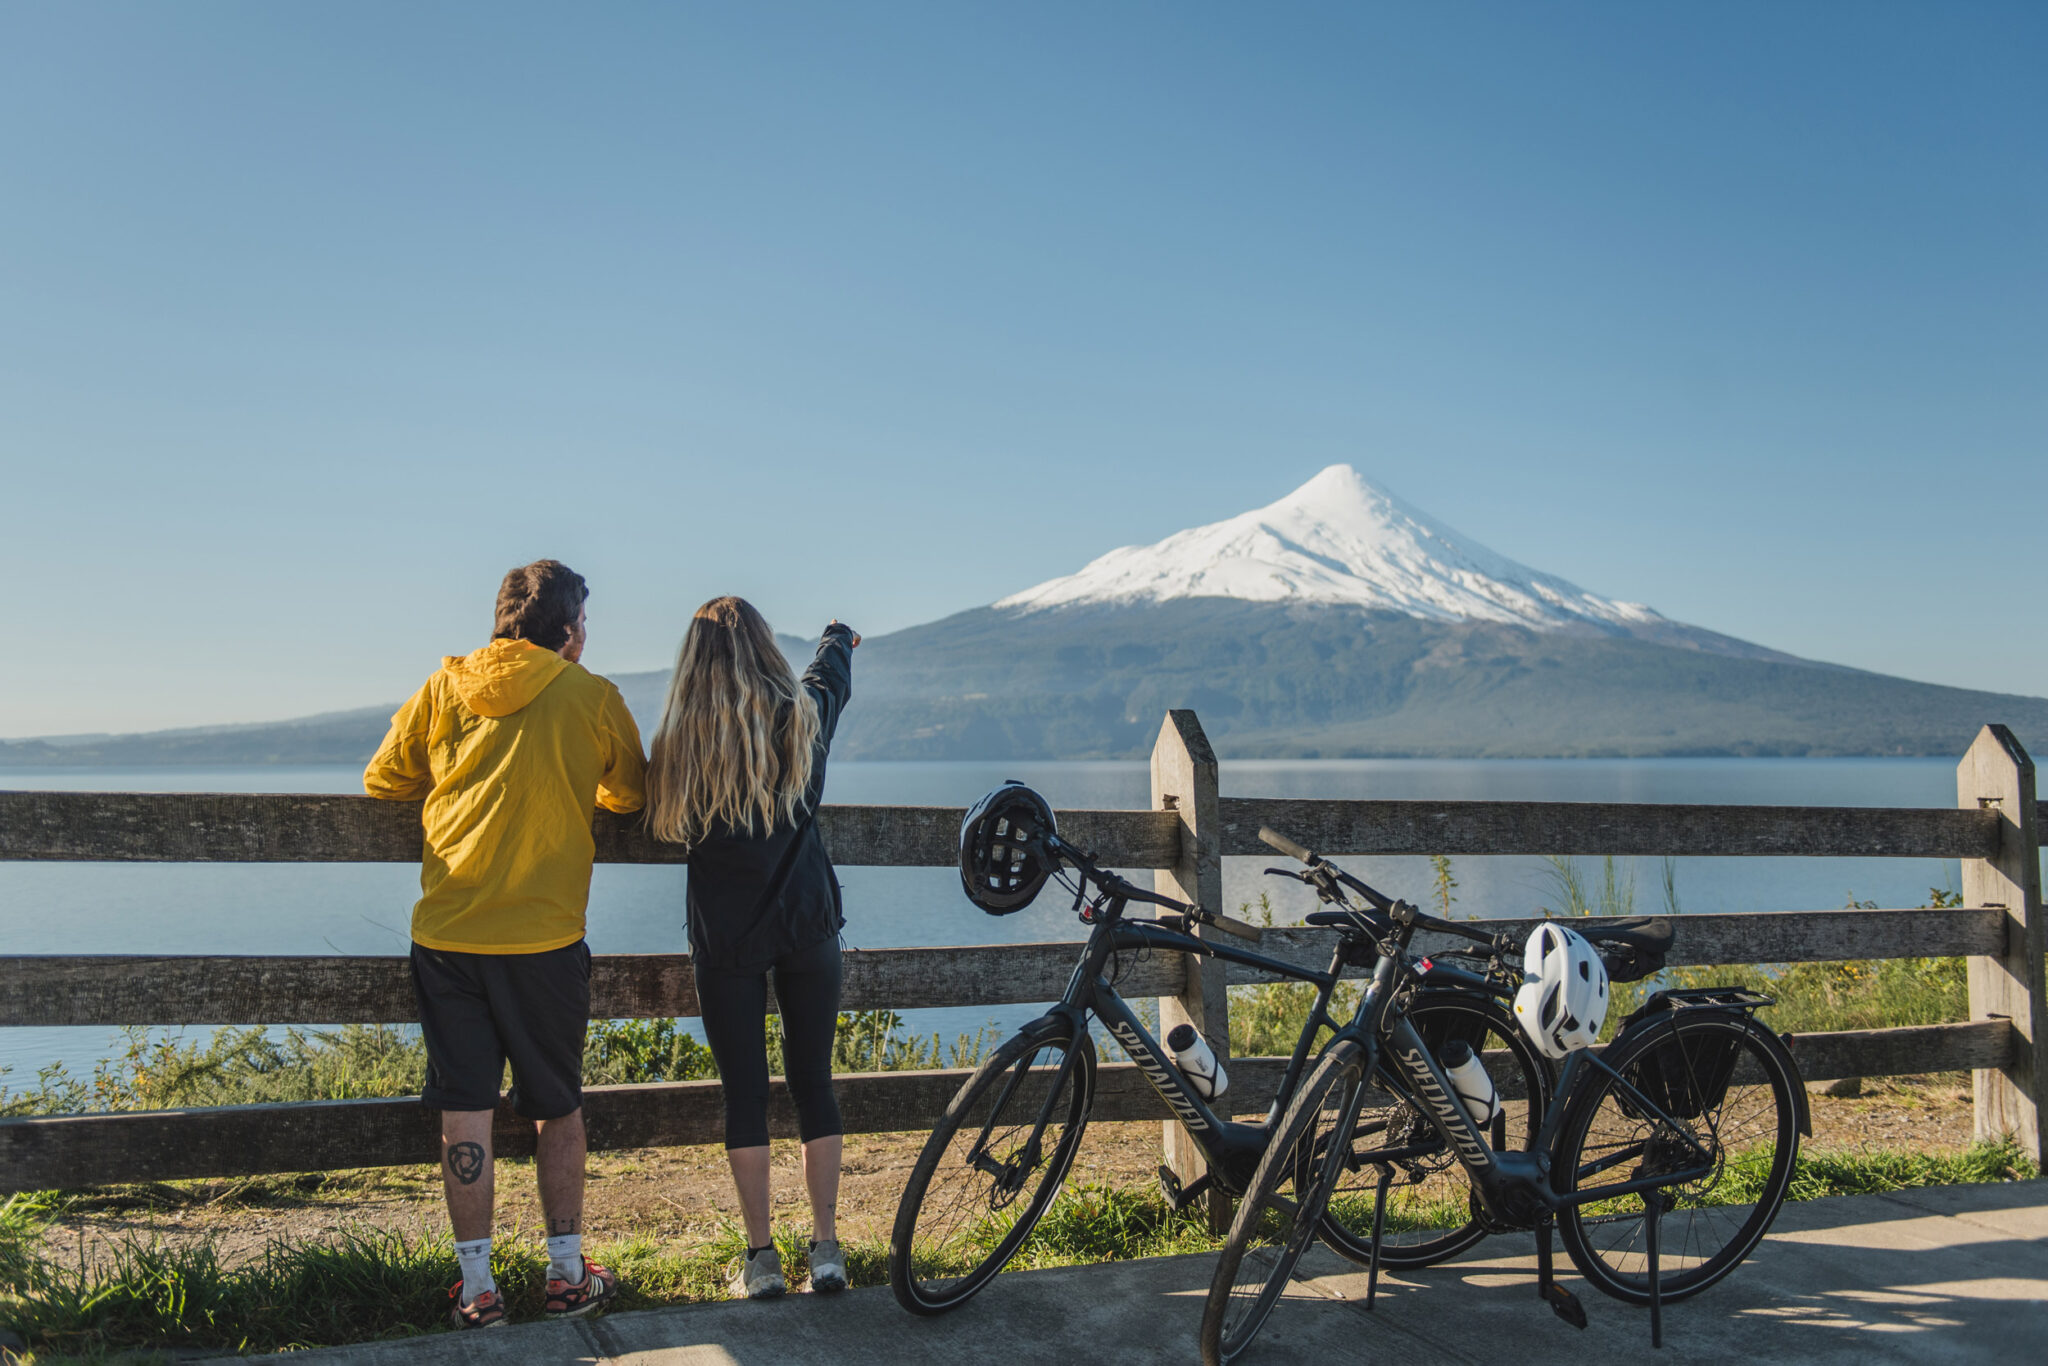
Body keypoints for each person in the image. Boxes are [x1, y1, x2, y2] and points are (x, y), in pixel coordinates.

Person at [364, 559, 647, 1329]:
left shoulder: (443, 687)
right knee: (558, 1108)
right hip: (546, 938)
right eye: (584, 622)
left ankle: (478, 1289)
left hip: (449, 933)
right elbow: (630, 794)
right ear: (566, 631)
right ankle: (564, 1276)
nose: (586, 635)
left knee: (466, 1109)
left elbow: (384, 779)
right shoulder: (591, 697)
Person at [645, 598, 857, 1299]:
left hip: (726, 936)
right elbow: (830, 678)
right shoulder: (802, 720)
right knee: (813, 1083)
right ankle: (826, 1249)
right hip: (807, 923)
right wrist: (836, 637)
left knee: (745, 1093)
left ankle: (761, 1258)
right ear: (766, 648)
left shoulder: (681, 744)